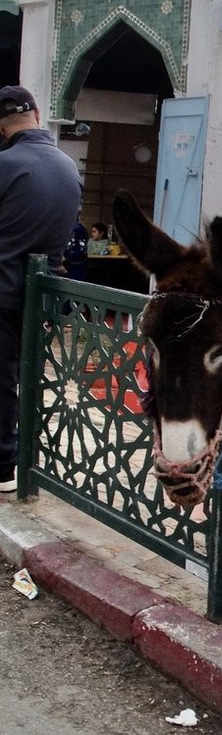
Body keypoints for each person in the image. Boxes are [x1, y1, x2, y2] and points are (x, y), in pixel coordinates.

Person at [0, 85, 82, 493]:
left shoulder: (6, 164)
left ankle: (4, 463)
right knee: (28, 377)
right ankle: (28, 456)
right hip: (45, 297)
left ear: (2, 127)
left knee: (3, 379)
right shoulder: (68, 167)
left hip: (3, 291)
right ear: (34, 113)